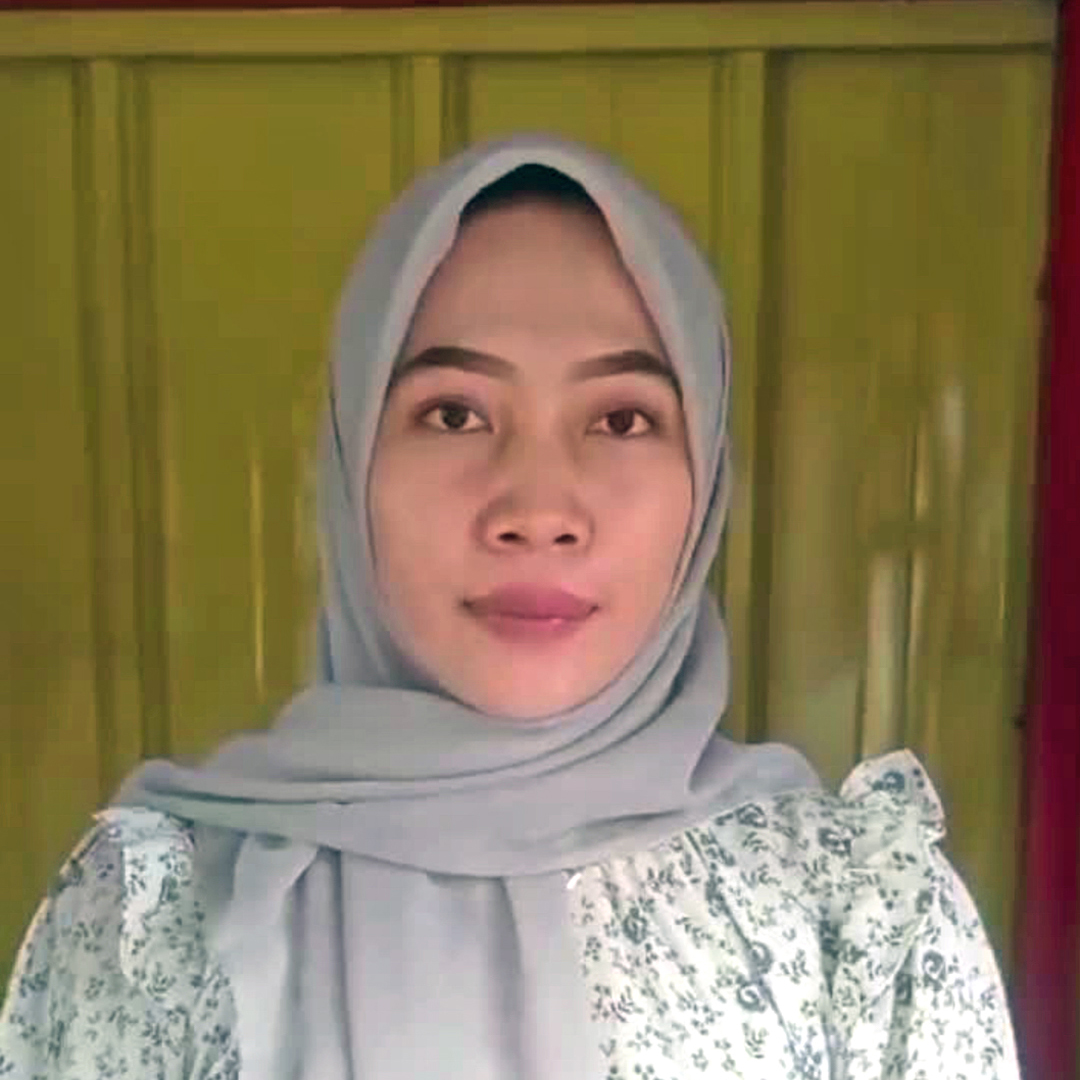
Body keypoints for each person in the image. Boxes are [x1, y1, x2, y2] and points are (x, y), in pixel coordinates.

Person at [0, 133, 1018, 1079]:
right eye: (454, 414)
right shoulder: (152, 918)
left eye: (622, 419)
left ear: (706, 480)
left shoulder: (857, 921)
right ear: (351, 464)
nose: (537, 511)